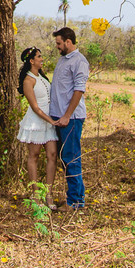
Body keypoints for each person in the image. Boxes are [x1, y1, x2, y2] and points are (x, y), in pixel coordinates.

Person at [49, 26, 89, 209]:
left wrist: (67, 116)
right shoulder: (63, 60)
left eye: (59, 43)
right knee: (64, 158)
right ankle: (74, 197)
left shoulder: (79, 61)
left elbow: (79, 90)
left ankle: (75, 201)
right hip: (58, 117)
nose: (57, 46)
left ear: (68, 41)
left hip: (71, 119)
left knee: (71, 158)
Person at [16, 46, 58, 207]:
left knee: (52, 155)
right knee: (34, 156)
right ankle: (36, 195)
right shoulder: (28, 80)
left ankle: (49, 194)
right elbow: (35, 107)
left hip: (49, 121)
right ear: (31, 61)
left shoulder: (41, 77)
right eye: (39, 56)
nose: (42, 59)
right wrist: (50, 120)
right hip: (37, 121)